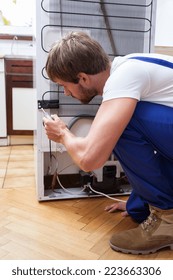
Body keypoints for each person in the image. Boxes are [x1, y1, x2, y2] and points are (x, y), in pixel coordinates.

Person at [43, 31, 173, 255]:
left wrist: (63, 133)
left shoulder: (123, 78)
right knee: (125, 119)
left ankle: (167, 222)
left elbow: (89, 159)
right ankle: (152, 206)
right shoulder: (127, 67)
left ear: (83, 78)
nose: (65, 92)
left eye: (64, 85)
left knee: (124, 123)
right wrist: (139, 201)